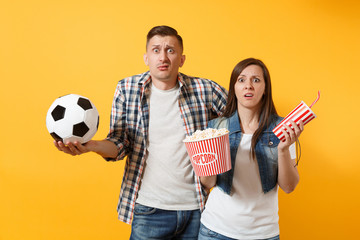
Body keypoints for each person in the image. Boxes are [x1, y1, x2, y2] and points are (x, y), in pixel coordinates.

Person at [54, 25, 228, 239]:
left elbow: (243, 116)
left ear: (181, 59)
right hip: (149, 211)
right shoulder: (127, 89)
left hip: (197, 208)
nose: (163, 57)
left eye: (170, 50)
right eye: (156, 50)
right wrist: (92, 146)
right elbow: (120, 143)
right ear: (146, 57)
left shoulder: (205, 90)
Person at [198, 58, 304, 240]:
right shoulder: (216, 127)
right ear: (234, 88)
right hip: (215, 230)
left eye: (256, 80)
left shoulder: (282, 128)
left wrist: (284, 149)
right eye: (241, 80)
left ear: (265, 88)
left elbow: (289, 186)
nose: (248, 86)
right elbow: (208, 183)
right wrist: (206, 155)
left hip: (263, 233)